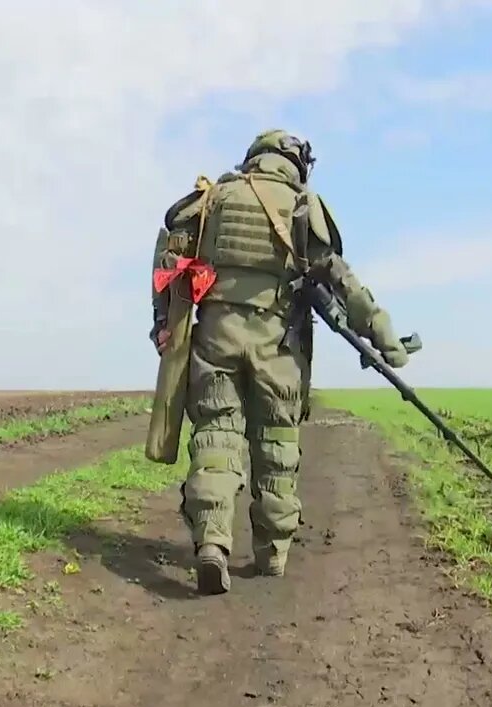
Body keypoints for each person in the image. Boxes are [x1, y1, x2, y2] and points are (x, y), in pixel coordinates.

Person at [150, 129, 409, 595]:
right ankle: (272, 555)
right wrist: (382, 331)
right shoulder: (303, 206)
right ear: (296, 164)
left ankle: (212, 541)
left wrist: (161, 326)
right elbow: (339, 277)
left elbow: (168, 263)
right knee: (276, 445)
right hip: (278, 344)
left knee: (216, 434)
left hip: (215, 337)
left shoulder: (212, 200)